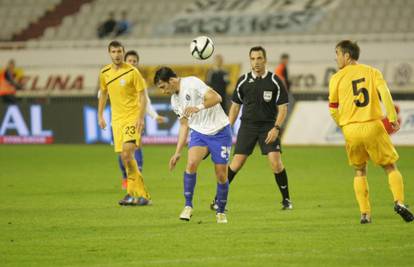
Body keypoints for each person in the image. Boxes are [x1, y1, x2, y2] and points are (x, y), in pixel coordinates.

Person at [328, 40, 413, 224]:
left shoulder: (336, 78)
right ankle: (399, 202)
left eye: (337, 54)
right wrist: (392, 118)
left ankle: (365, 214)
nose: (336, 58)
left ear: (347, 56)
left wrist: (343, 124)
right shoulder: (372, 72)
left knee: (359, 171)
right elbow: (385, 94)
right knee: (390, 167)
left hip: (351, 130)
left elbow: (333, 108)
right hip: (372, 126)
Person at [211, 46, 292, 211]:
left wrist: (276, 128)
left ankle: (286, 200)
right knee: (236, 164)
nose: (256, 62)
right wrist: (228, 127)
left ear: (265, 60)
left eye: (259, 58)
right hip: (247, 126)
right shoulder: (243, 80)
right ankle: (217, 199)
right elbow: (234, 108)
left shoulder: (275, 81)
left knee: (275, 163)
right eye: (253, 59)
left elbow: (283, 108)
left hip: (268, 126)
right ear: (250, 60)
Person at [154, 66, 232, 224]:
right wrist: (177, 152)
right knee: (191, 163)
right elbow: (184, 125)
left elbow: (217, 98)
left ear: (171, 80)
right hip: (199, 133)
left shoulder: (192, 82)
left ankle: (221, 212)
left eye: (163, 86)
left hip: (220, 131)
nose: (163, 91)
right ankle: (188, 206)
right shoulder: (174, 100)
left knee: (221, 174)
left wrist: (198, 107)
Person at [98, 40, 151, 206]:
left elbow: (143, 97)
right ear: (109, 53)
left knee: (128, 154)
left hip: (132, 118)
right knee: (125, 158)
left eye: (119, 51)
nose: (117, 54)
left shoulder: (133, 72)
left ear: (123, 52)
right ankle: (131, 193)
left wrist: (141, 118)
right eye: (113, 52)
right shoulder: (104, 73)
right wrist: (100, 115)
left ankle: (143, 195)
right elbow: (104, 94)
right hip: (117, 121)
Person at [117, 50, 167, 190]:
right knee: (122, 152)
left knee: (136, 148)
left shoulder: (139, 80)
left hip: (135, 120)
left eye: (134, 61)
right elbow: (103, 92)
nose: (132, 63)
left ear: (137, 63)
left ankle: (137, 178)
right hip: (118, 121)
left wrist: (155, 116)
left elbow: (146, 102)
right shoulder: (115, 78)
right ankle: (125, 177)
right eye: (130, 61)